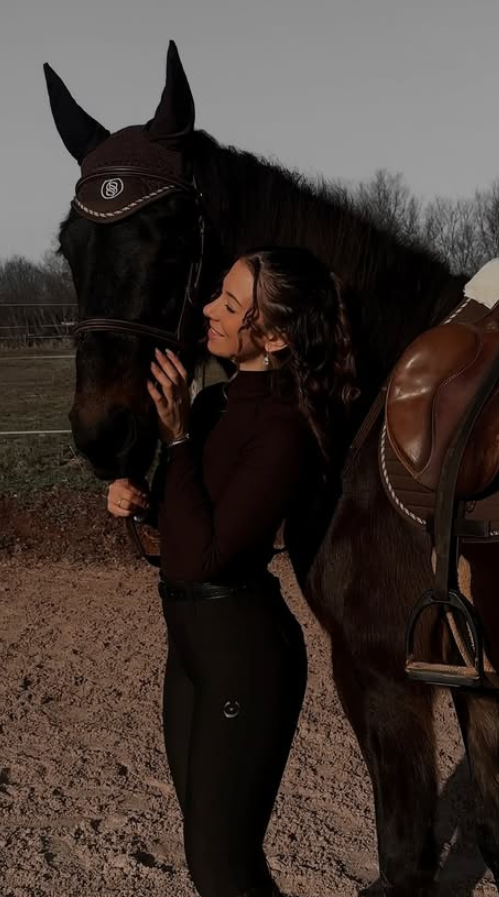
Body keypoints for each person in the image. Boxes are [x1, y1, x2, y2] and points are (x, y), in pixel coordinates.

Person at [106, 247, 358, 897]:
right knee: (207, 856)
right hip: (191, 651)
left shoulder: (284, 426)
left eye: (230, 302)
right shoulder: (214, 404)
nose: (209, 310)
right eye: (217, 293)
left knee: (223, 868)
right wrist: (144, 507)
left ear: (273, 336)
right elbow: (182, 537)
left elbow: (209, 557)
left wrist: (176, 437)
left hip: (246, 655)